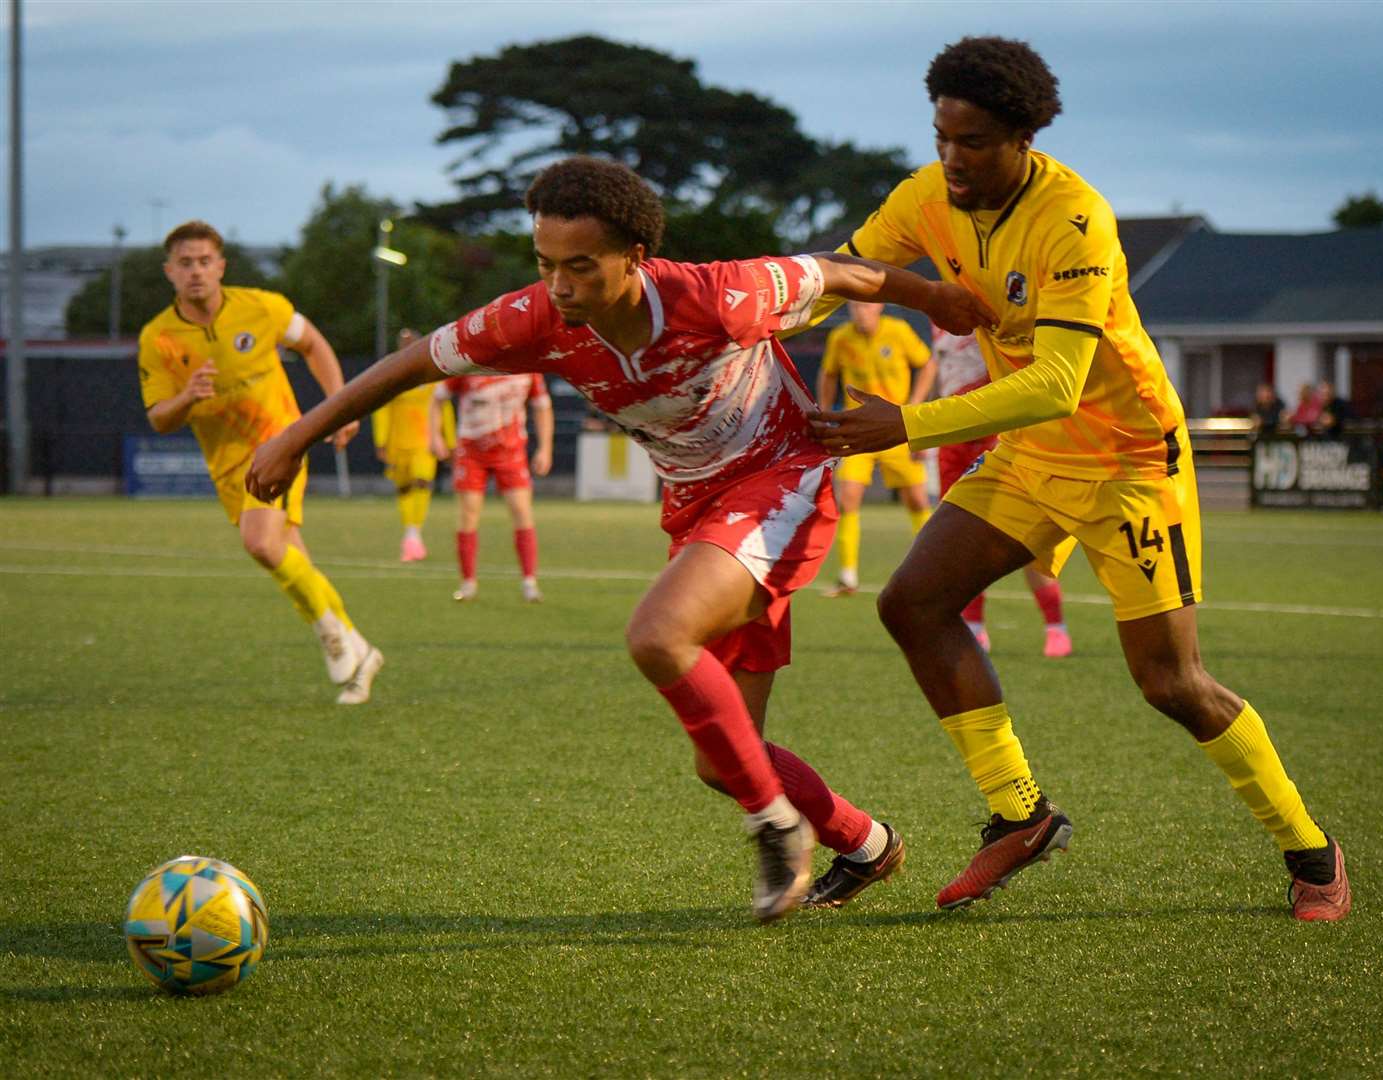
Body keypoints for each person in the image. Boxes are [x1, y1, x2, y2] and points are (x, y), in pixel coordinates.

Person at [247, 156, 991, 922]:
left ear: (635, 259)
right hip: (701, 516)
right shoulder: (536, 319)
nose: (559, 285)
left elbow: (843, 273)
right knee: (720, 759)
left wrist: (932, 296)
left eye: (579, 266)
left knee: (657, 635)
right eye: (545, 264)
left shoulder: (721, 295)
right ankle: (866, 843)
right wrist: (299, 436)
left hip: (783, 483)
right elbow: (410, 365)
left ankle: (778, 828)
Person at [806, 37, 1349, 921]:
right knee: (911, 602)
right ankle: (1018, 816)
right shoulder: (924, 193)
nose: (950, 158)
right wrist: (740, 320)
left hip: (1127, 463)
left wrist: (901, 422)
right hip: (1029, 455)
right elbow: (842, 271)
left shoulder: (1075, 220)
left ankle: (1310, 848)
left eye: (973, 141)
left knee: (1171, 685)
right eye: (941, 135)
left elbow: (1057, 383)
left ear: (1023, 136)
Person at [138, 220, 382, 705]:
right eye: (185, 263)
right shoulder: (158, 337)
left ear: (221, 266)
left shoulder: (261, 307)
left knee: (261, 543)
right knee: (289, 557)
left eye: (205, 261)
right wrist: (186, 397)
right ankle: (358, 645)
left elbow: (312, 342)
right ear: (169, 271)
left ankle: (331, 635)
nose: (196, 272)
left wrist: (338, 404)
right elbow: (159, 419)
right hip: (226, 464)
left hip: (280, 444)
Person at [931, 325, 1072, 656]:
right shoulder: (934, 306)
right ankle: (974, 627)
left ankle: (1055, 625)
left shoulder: (989, 297)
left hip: (997, 428)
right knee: (956, 537)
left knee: (1026, 536)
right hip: (951, 432)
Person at [815, 301, 935, 596]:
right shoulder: (841, 337)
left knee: (918, 500)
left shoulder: (898, 331)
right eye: (855, 306)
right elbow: (829, 374)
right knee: (849, 496)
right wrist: (824, 413)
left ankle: (931, 571)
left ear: (879, 307)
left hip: (898, 429)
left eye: (866, 306)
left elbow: (928, 364)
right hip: (859, 431)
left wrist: (915, 407)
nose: (860, 311)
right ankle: (847, 576)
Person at [430, 369, 553, 602]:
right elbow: (437, 397)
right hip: (471, 451)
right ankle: (468, 583)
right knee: (468, 515)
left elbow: (543, 406)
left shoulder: (527, 366)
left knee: (522, 512)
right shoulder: (470, 363)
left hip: (511, 451)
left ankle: (529, 582)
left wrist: (545, 447)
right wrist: (434, 435)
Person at [372, 327, 447, 563]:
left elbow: (442, 405)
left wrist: (448, 439)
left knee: (422, 480)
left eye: (411, 343)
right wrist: (381, 440)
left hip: (425, 439)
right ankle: (411, 533)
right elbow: (382, 407)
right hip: (399, 440)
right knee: (404, 487)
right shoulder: (393, 371)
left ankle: (414, 532)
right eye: (403, 344)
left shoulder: (431, 371)